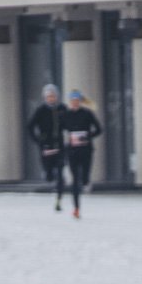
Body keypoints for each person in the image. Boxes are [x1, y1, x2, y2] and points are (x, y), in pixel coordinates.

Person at [61, 89, 103, 219]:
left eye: (77, 100)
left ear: (80, 101)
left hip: (86, 150)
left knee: (84, 177)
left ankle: (85, 182)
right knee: (74, 180)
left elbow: (99, 129)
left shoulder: (87, 113)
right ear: (70, 102)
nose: (74, 103)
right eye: (72, 100)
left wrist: (87, 136)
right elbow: (59, 129)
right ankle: (76, 208)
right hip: (72, 151)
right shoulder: (66, 115)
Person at [26, 84, 66, 211]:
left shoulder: (62, 109)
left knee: (60, 172)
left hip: (59, 145)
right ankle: (49, 174)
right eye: (48, 96)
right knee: (49, 174)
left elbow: (71, 122)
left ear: (57, 96)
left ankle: (59, 199)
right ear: (45, 97)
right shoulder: (41, 110)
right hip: (46, 146)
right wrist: (38, 140)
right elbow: (30, 126)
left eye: (53, 96)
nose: (51, 98)